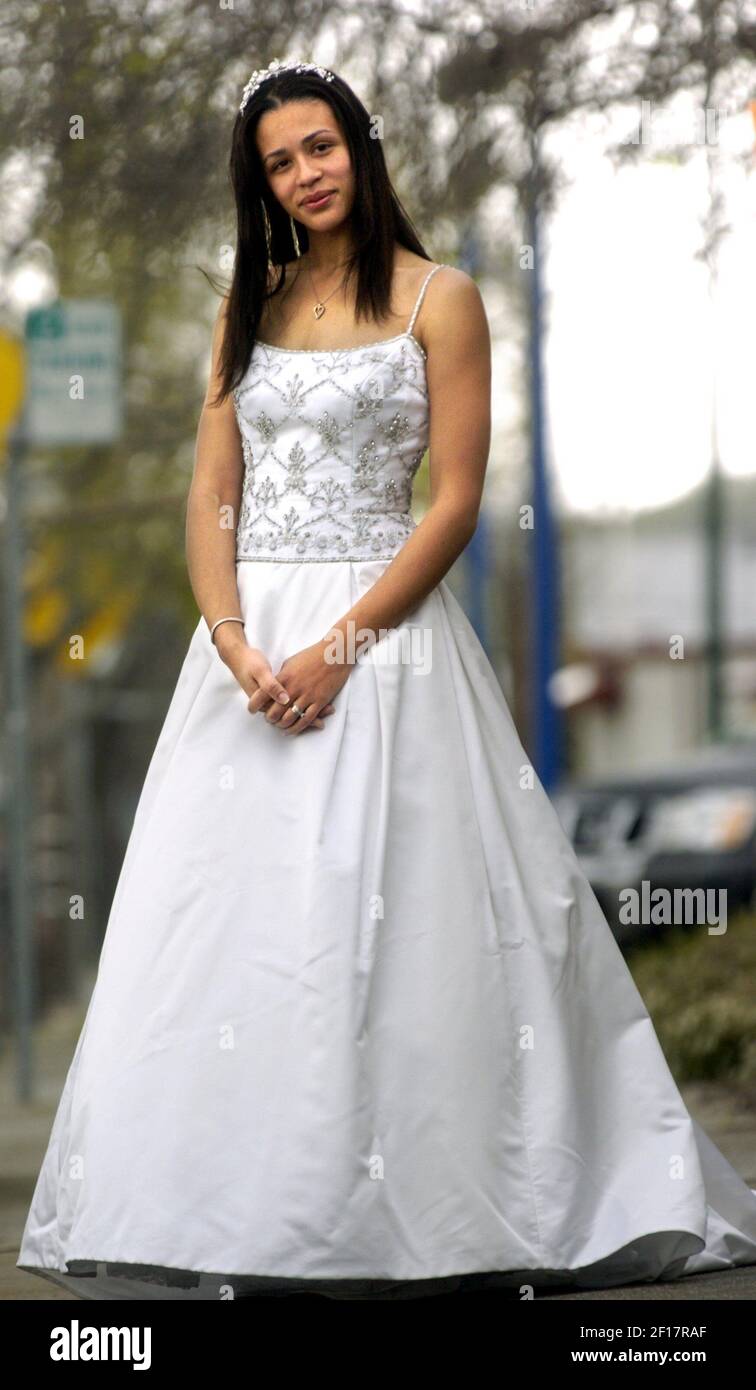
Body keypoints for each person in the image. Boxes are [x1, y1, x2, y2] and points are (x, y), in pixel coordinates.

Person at [17, 58, 756, 1302]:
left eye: (321, 146)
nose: (305, 174)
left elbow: (456, 501)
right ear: (261, 184)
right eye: (278, 162)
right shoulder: (246, 305)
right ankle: (240, 1211)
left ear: (360, 145)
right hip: (245, 651)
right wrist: (241, 640)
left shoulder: (441, 298)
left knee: (404, 918)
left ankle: (442, 1206)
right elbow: (213, 492)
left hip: (386, 642)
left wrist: (336, 649)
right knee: (237, 933)